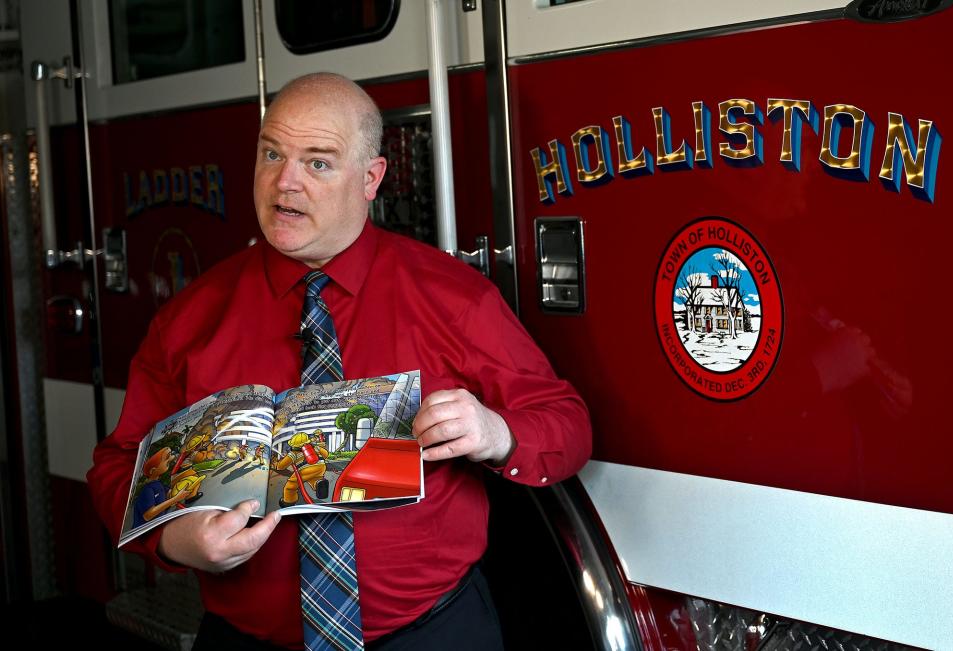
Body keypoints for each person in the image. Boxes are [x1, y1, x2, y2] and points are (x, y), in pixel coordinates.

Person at [87, 72, 591, 649]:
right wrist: (176, 538)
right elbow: (116, 467)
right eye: (272, 153)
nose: (285, 182)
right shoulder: (190, 319)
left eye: (318, 162)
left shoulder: (455, 297)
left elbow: (567, 422)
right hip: (247, 639)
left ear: (370, 178)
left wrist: (496, 431)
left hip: (431, 633)